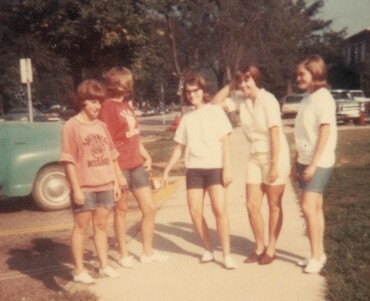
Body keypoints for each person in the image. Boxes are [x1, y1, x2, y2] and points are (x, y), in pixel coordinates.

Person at [212, 65, 290, 265]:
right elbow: (214, 103)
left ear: (257, 79)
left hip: (275, 155)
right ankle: (259, 246)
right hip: (255, 155)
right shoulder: (242, 101)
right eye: (241, 81)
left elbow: (274, 133)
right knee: (251, 205)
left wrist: (274, 165)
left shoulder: (268, 100)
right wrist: (231, 84)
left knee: (274, 205)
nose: (243, 84)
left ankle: (271, 248)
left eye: (247, 80)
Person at [161, 73, 237, 269]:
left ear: (203, 91)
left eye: (196, 91)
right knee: (195, 212)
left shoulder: (215, 111)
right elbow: (179, 147)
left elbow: (225, 141)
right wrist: (167, 170)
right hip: (194, 169)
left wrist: (227, 167)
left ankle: (227, 255)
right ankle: (208, 249)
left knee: (219, 210)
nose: (192, 95)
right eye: (189, 92)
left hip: (215, 167)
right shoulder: (186, 118)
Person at [98, 66, 169, 267]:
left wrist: (144, 152)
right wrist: (116, 174)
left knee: (149, 208)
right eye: (123, 82)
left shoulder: (126, 106)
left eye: (128, 82)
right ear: (115, 84)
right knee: (121, 212)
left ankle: (147, 252)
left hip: (136, 165)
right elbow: (107, 143)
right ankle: (123, 254)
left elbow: (133, 134)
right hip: (119, 167)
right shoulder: (107, 108)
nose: (128, 86)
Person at [60, 79, 123, 284]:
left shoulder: (102, 126)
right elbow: (68, 160)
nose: (98, 106)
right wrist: (76, 189)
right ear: (83, 102)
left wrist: (116, 181)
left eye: (99, 102)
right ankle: (78, 271)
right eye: (93, 101)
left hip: (105, 184)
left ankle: (104, 265)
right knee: (81, 228)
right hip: (85, 187)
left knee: (102, 226)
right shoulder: (72, 126)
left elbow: (112, 154)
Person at [293, 55, 337, 274]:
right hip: (305, 160)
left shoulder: (323, 97)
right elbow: (304, 133)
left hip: (318, 161)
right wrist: (297, 162)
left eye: (302, 73)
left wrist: (312, 164)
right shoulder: (308, 97)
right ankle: (317, 253)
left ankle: (316, 257)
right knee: (315, 209)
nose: (298, 78)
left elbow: (325, 132)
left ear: (315, 73)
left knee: (308, 207)